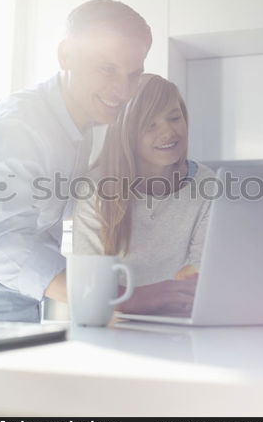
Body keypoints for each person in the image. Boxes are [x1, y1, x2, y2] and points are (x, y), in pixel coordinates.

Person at [0, 0, 152, 322]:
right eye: (108, 69)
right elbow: (3, 244)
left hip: (20, 300)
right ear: (65, 55)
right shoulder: (20, 126)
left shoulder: (91, 124)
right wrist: (113, 298)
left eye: (133, 75)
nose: (123, 90)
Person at [73, 74, 214, 316]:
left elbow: (199, 273)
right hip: (113, 323)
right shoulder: (96, 187)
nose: (168, 132)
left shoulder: (207, 184)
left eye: (174, 117)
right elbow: (87, 282)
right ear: (126, 132)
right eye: (150, 124)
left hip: (178, 321)